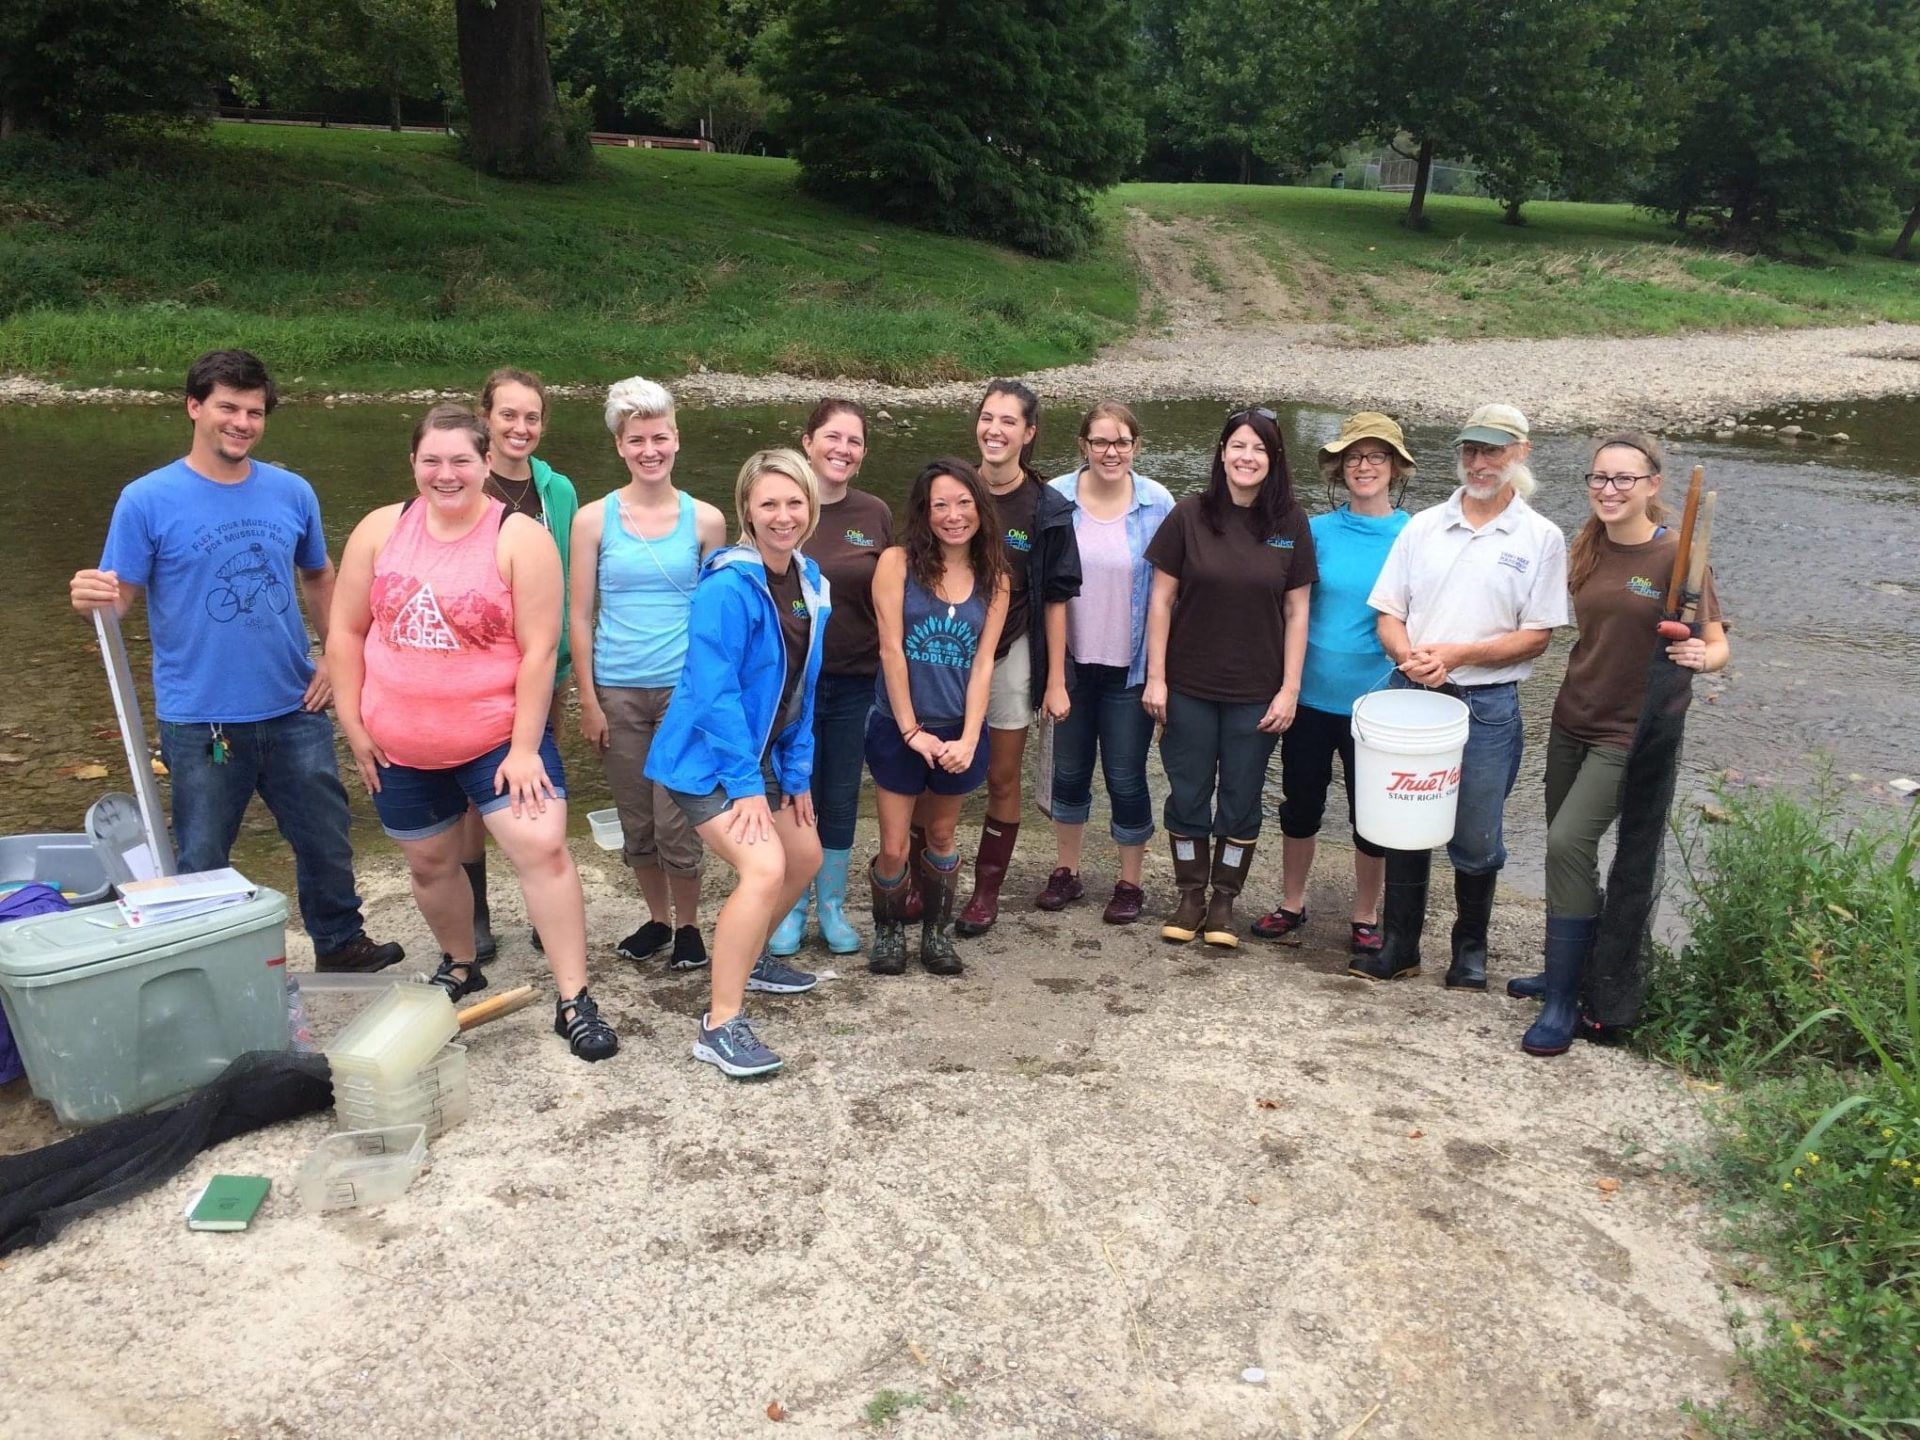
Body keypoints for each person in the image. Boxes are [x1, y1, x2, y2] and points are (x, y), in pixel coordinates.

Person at [67, 348, 402, 974]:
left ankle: (339, 942)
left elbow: (320, 577)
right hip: (201, 720)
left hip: (294, 705)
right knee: (200, 854)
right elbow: (120, 602)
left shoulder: (291, 491)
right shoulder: (145, 500)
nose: (242, 422)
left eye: (254, 411)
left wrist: (334, 658)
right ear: (195, 407)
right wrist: (93, 600)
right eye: (228, 407)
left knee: (325, 838)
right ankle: (208, 961)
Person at [328, 404, 616, 1061]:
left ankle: (573, 998)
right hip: (399, 742)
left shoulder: (519, 538)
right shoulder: (381, 529)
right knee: (430, 864)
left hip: (495, 738)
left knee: (542, 849)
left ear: (487, 463)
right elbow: (346, 631)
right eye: (432, 460)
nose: (446, 473)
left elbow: (541, 652)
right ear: (413, 464)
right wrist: (352, 720)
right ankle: (461, 963)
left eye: (461, 460)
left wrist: (521, 748)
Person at [1515, 432, 1727, 1055]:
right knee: (1565, 850)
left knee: (1565, 843)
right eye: (1599, 479)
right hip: (1571, 717)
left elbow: (1716, 645)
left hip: (1627, 733)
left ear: (1652, 486)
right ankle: (1567, 970)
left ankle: (1563, 1003)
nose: (1608, 490)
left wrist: (1700, 656)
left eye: (1623, 480)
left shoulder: (1677, 557)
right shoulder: (1585, 545)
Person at [1357, 403, 1569, 987]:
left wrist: (1458, 654)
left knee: (1477, 836)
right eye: (1470, 451)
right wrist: (1410, 657)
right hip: (1413, 694)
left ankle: (1469, 952)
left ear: (1520, 453)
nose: (1479, 463)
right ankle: (1400, 946)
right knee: (1406, 823)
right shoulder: (1423, 525)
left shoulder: (1541, 538)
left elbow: (1538, 637)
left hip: (1488, 704)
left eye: (1493, 451)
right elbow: (1388, 614)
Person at [644, 449, 830, 1078]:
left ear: (811, 505)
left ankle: (747, 957)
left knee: (805, 855)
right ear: (746, 508)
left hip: (765, 754)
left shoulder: (809, 581)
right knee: (763, 865)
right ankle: (719, 1023)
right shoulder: (728, 585)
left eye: (794, 502)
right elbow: (715, 691)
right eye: (769, 503)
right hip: (707, 759)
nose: (783, 516)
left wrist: (796, 776)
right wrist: (747, 788)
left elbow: (801, 688)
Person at [569, 378, 727, 973]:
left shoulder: (707, 521)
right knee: (636, 816)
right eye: (637, 440)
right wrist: (587, 697)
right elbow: (580, 615)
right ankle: (658, 920)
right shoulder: (592, 521)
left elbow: (718, 619)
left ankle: (690, 926)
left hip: (684, 694)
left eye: (659, 437)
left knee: (678, 815)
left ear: (676, 439)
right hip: (617, 689)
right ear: (620, 446)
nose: (649, 450)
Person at [1143, 408, 1316, 948]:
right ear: (1221, 453)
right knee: (1188, 793)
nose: (1248, 457)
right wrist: (1156, 678)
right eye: (1238, 446)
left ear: (1274, 460)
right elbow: (1161, 601)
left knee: (1241, 799)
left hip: (1257, 694)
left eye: (1260, 449)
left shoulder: (1291, 524)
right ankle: (1190, 893)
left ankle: (1224, 901)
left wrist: (1290, 689)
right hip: (1188, 685)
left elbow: (1297, 613)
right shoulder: (1188, 516)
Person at [1252, 413, 1415, 956]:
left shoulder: (1415, 534)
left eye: (1375, 457)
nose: (1363, 467)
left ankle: (1366, 913)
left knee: (1371, 815)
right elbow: (1283, 603)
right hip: (1309, 694)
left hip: (1379, 700)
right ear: (1339, 470)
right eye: (1353, 458)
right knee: (1300, 804)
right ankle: (1292, 903)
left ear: (1395, 468)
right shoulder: (1312, 530)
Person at [943, 380, 1080, 937]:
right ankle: (931, 879)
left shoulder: (1046, 507)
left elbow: (1055, 598)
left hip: (1012, 650)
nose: (994, 430)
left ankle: (985, 892)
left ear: (1028, 433)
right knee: (936, 769)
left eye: (1008, 421)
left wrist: (1055, 682)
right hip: (945, 648)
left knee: (1001, 775)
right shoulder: (950, 488)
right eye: (986, 418)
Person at [454, 369, 581, 964]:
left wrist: (570, 660)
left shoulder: (558, 492)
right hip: (473, 666)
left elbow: (571, 582)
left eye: (531, 417)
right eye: (508, 415)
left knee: (537, 779)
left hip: (543, 661)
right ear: (485, 417)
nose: (520, 428)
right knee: (473, 794)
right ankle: (476, 908)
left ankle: (542, 903)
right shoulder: (462, 484)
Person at [867, 460, 1010, 975]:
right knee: (894, 842)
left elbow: (982, 666)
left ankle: (936, 932)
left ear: (980, 506)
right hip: (898, 724)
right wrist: (911, 731)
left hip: (957, 728)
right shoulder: (897, 563)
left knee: (945, 836)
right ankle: (887, 932)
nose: (954, 516)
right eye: (940, 505)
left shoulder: (996, 578)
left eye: (964, 502)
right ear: (924, 512)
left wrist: (970, 738)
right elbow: (890, 651)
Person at [1036, 402, 1174, 923]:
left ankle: (1129, 882)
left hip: (1129, 666)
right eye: (1100, 442)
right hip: (1071, 663)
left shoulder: (1157, 503)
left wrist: (1160, 676)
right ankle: (1067, 872)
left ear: (1135, 447)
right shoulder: (1057, 498)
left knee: (1126, 775)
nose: (1110, 452)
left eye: (1121, 442)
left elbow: (1168, 594)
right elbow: (1048, 589)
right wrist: (1052, 678)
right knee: (1068, 774)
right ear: (1083, 445)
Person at [767, 399, 893, 958]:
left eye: (854, 442)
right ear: (808, 442)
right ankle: (792, 904)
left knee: (840, 793)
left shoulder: (874, 514)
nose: (843, 450)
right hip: (790, 686)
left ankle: (834, 905)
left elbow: (891, 595)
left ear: (863, 455)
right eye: (832, 438)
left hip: (853, 679)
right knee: (795, 790)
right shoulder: (784, 509)